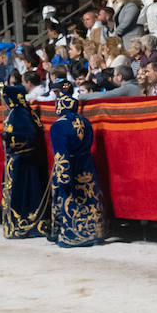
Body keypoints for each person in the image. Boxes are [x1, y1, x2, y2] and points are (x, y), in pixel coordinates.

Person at [47, 83, 105, 248]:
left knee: (70, 202)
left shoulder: (58, 126)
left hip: (70, 167)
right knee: (89, 200)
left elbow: (61, 154)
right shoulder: (86, 123)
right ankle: (93, 233)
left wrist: (63, 176)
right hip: (86, 165)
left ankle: (71, 235)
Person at [0, 82, 51, 239]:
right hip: (22, 161)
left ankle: (24, 225)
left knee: (24, 194)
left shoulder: (19, 113)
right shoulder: (20, 111)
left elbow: (29, 136)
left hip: (23, 162)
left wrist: (10, 138)